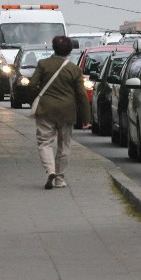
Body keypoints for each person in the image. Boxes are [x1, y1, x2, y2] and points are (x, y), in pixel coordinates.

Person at [29, 36, 91, 189]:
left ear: (53, 47)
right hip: (67, 112)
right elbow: (82, 95)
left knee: (45, 142)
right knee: (64, 145)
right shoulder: (74, 69)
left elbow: (31, 85)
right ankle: (59, 178)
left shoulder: (43, 64)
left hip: (45, 110)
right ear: (70, 50)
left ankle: (50, 169)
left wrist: (37, 98)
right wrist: (86, 118)